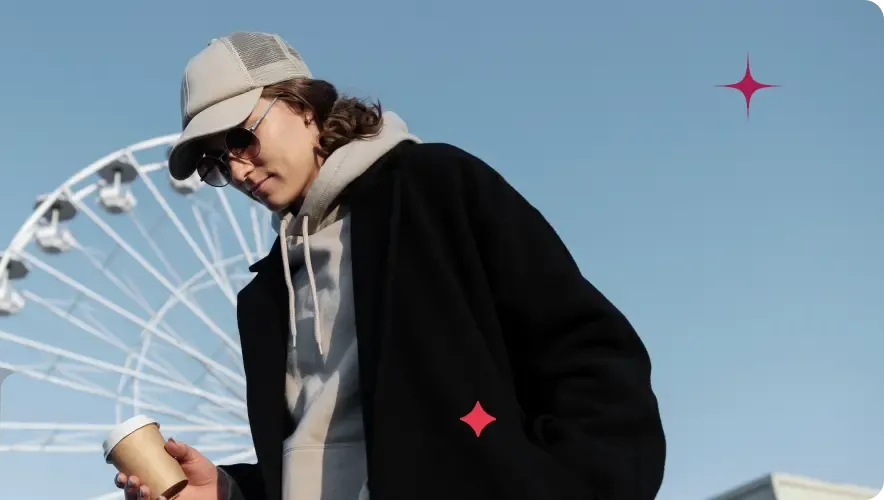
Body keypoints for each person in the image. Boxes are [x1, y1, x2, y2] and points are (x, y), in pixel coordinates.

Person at [113, 31, 666, 500]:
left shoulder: (434, 189)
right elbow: (335, 452)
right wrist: (231, 492)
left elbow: (586, 353)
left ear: (304, 105)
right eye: (215, 162)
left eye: (241, 137)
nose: (236, 169)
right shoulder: (264, 297)